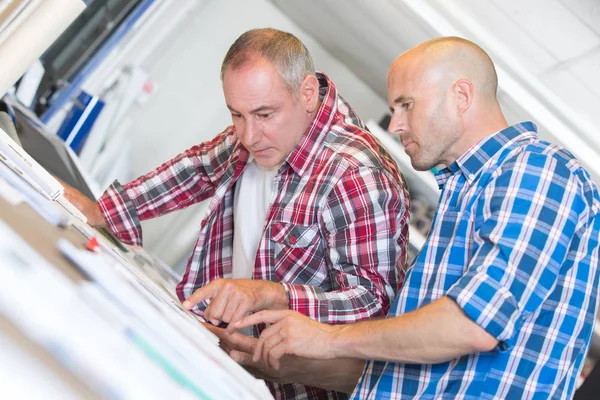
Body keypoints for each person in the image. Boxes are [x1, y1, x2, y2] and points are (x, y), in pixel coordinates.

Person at [231, 36, 600, 399]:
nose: (396, 124)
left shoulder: (539, 172)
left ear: (462, 96)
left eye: (407, 104)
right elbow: (409, 379)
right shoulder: (468, 192)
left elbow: (473, 324)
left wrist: (327, 338)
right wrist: (275, 359)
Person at [62, 28, 410, 399]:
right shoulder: (261, 133)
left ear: (308, 93)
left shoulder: (357, 175)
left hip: (291, 390)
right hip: (220, 359)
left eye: (263, 114)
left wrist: (271, 294)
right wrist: (106, 210)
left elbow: (372, 302)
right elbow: (197, 169)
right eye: (236, 115)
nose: (248, 135)